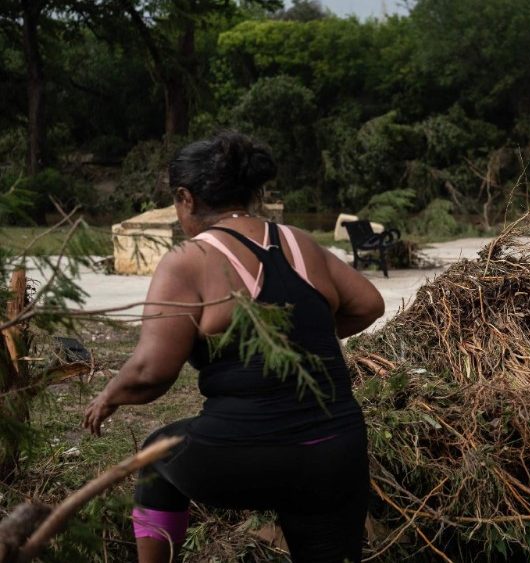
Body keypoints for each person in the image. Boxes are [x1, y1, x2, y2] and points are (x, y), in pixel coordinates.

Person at [83, 131, 385, 562]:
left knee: (156, 459)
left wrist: (108, 396)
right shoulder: (300, 242)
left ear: (185, 199)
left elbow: (152, 372)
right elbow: (369, 304)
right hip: (338, 448)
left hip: (250, 452)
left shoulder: (191, 258)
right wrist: (297, 329)